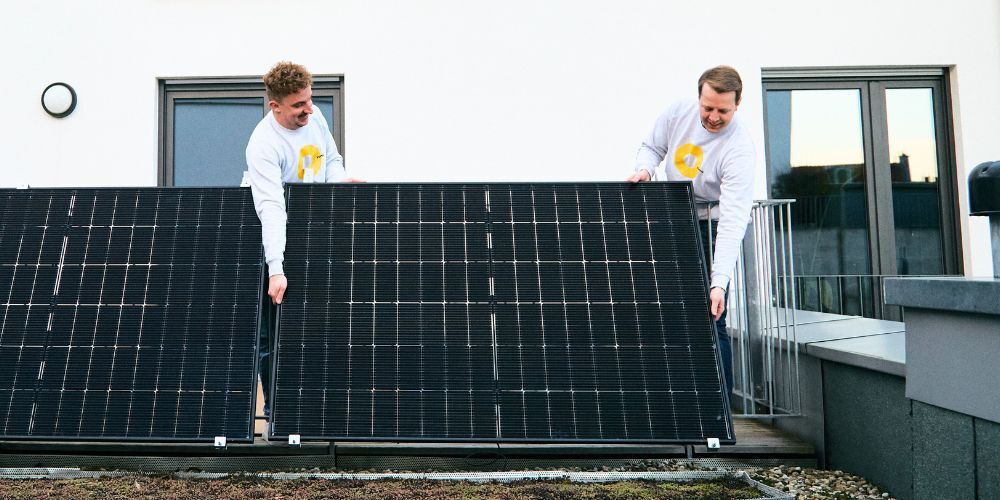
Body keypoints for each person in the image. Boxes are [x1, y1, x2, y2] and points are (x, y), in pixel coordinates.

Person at [628, 65, 755, 398]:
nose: (713, 117)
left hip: (709, 224)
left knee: (711, 317)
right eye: (708, 108)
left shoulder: (739, 150)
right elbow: (651, 147)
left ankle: (720, 411)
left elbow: (732, 222)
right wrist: (644, 170)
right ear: (698, 97)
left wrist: (718, 283)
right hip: (671, 217)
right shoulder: (677, 113)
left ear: (737, 104)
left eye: (723, 111)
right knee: (663, 310)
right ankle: (674, 400)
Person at [246, 61, 361, 418]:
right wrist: (276, 268)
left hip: (312, 229)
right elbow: (271, 209)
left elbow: (331, 159)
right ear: (275, 106)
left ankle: (318, 405)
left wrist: (339, 186)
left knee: (318, 321)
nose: (308, 110)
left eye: (310, 100)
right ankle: (280, 414)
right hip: (270, 235)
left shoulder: (316, 118)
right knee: (272, 333)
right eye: (298, 105)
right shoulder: (263, 145)